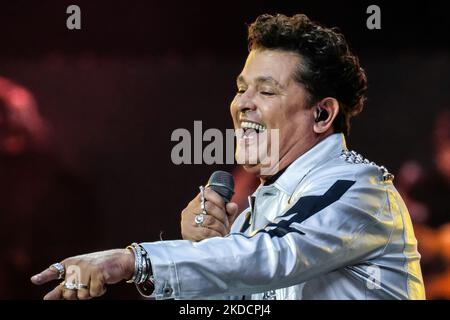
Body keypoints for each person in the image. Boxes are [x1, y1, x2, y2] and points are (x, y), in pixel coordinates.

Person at [30, 13, 425, 300]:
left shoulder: (358, 188)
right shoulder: (256, 216)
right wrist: (201, 251)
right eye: (241, 88)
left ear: (322, 114)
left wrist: (132, 261)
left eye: (266, 91)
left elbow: (274, 256)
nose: (242, 104)